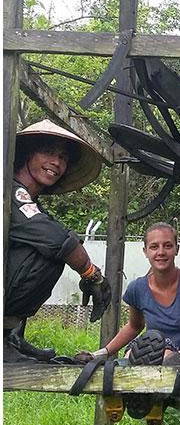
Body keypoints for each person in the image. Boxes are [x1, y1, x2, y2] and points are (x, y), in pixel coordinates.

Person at [4, 120, 111, 363]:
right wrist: (91, 274)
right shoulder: (7, 191)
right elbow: (56, 240)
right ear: (28, 154)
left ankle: (10, 336)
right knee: (52, 249)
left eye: (63, 157)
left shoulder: (29, 201)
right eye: (49, 152)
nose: (57, 162)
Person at [87, 222, 180, 367]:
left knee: (169, 356)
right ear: (145, 251)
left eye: (167, 246)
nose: (161, 252)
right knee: (130, 355)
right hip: (153, 356)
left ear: (177, 249)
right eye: (154, 247)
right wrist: (103, 353)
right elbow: (135, 326)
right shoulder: (137, 288)